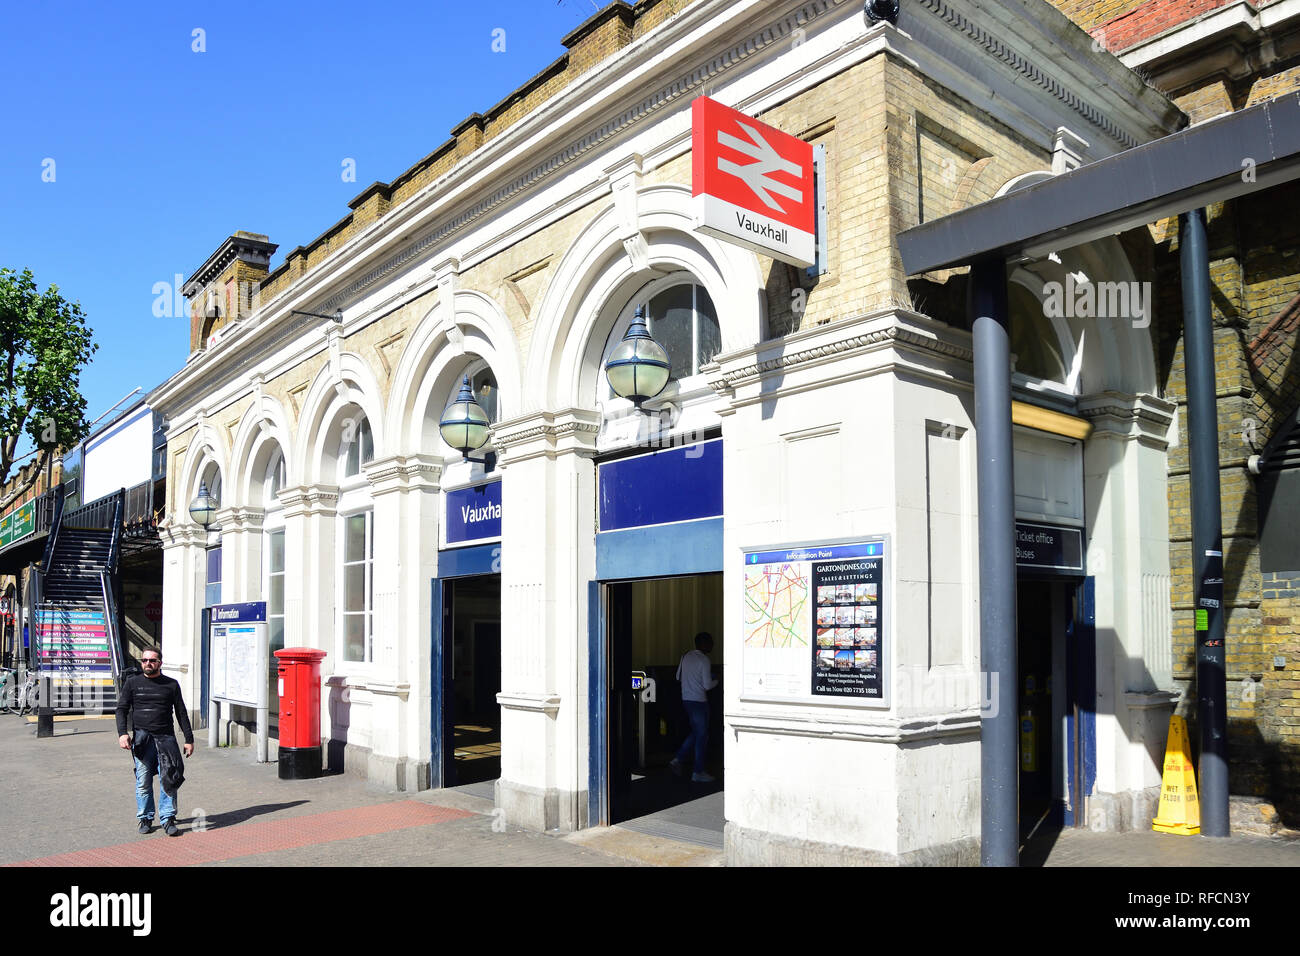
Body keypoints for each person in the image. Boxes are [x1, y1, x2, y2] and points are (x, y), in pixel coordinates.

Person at [115, 649, 194, 836]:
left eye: (152, 660)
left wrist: (189, 739)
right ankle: (145, 818)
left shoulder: (171, 685)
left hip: (166, 739)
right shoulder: (132, 683)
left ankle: (167, 818)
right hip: (142, 740)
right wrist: (122, 733)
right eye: (144, 660)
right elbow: (121, 709)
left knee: (169, 779)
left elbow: (181, 712)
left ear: (160, 662)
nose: (147, 663)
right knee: (143, 782)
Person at [670, 632, 718, 783]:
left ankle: (678, 759)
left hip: (686, 700)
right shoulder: (704, 660)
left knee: (698, 733)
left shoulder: (685, 656)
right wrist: (717, 680)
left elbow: (678, 677)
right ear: (703, 644)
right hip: (699, 702)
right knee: (702, 735)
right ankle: (697, 771)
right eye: (710, 642)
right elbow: (707, 685)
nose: (712, 645)